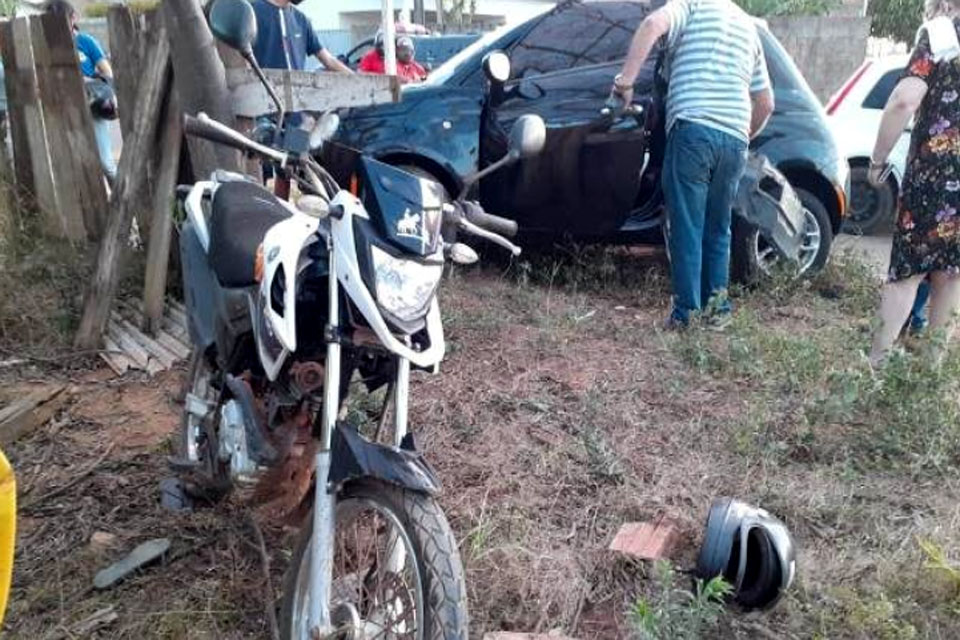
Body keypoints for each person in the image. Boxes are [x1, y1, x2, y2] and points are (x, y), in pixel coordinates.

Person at [613, 0, 773, 330]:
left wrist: (625, 83)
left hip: (693, 130)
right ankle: (718, 313)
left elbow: (651, 25)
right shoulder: (747, 26)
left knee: (687, 225)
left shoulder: (692, 5)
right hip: (734, 141)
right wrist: (742, 135)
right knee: (718, 228)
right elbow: (766, 102)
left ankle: (686, 314)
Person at [868, 0, 960, 364]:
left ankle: (874, 368)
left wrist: (877, 160)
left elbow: (904, 100)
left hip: (936, 176)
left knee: (907, 272)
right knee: (951, 274)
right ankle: (928, 382)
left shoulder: (940, 32)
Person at [250, 0, 351, 199]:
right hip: (261, 108)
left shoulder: (300, 19)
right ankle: (259, 214)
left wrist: (359, 80)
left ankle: (283, 210)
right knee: (258, 166)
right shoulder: (252, 11)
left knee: (290, 168)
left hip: (297, 115)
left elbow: (327, 59)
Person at [45, 0, 117, 182]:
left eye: (61, 21)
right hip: (65, 110)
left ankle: (125, 205)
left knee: (106, 165)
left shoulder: (86, 41)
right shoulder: (47, 46)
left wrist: (85, 81)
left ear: (73, 18)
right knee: (75, 166)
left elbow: (107, 73)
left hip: (93, 107)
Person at [359, 32, 428, 84]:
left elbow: (426, 79)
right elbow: (361, 74)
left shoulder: (415, 66)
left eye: (409, 50)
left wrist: (422, 79)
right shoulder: (370, 57)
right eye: (403, 50)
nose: (407, 53)